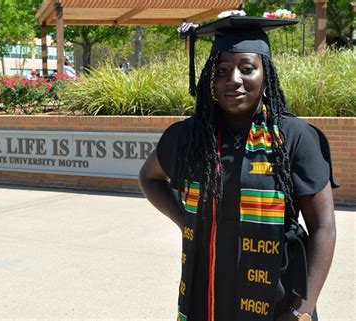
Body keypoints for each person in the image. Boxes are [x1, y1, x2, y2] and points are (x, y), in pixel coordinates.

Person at [139, 14, 338, 321]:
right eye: (222, 70)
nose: (233, 80)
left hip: (277, 296)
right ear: (210, 78)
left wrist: (303, 309)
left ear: (265, 74)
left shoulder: (295, 138)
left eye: (247, 69)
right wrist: (186, 221)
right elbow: (149, 177)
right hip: (205, 290)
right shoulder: (188, 137)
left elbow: (323, 227)